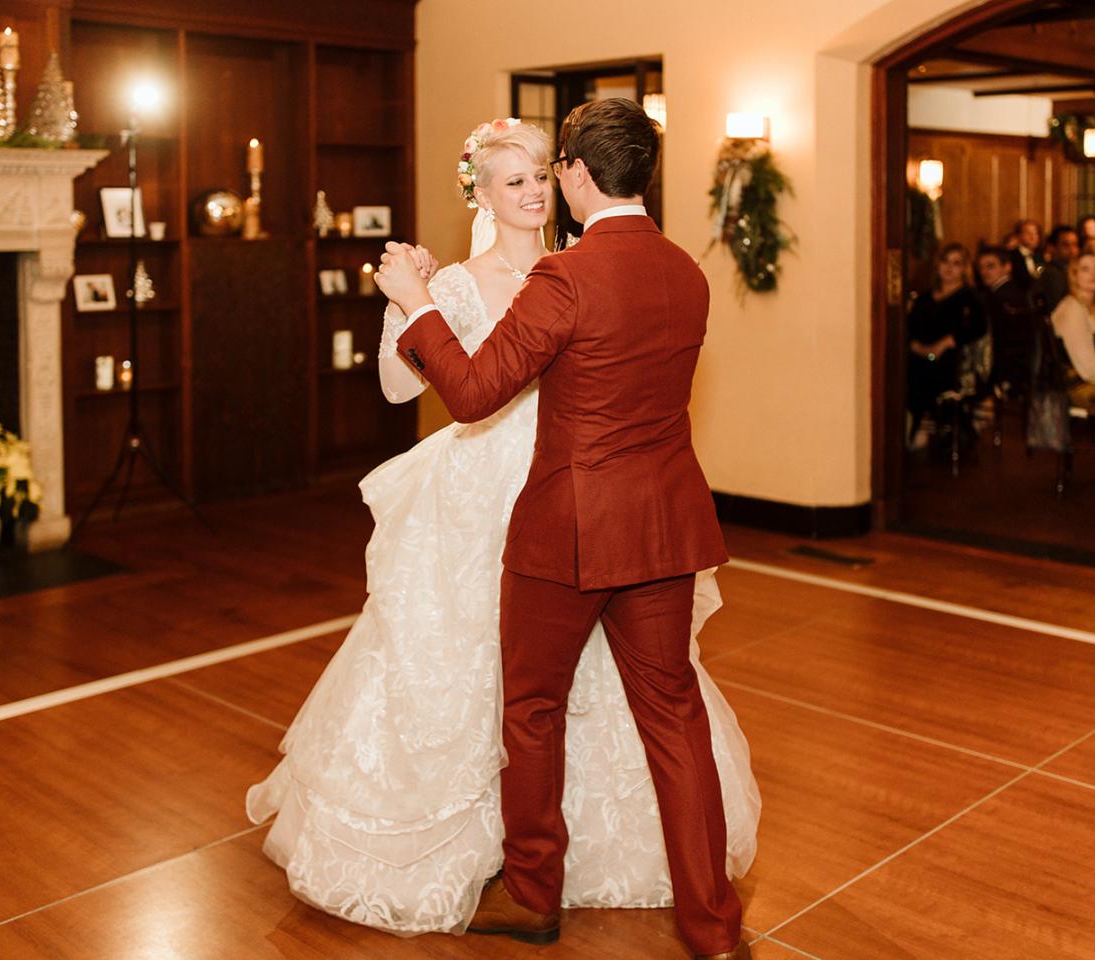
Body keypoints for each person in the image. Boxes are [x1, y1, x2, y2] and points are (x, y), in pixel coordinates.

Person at [248, 115, 760, 951]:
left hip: (567, 530)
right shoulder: (684, 273)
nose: (544, 185)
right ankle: (714, 926)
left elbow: (477, 393)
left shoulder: (566, 275)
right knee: (674, 718)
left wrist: (414, 304)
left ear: (580, 178)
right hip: (664, 528)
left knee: (530, 709)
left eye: (552, 169)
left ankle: (531, 895)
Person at [907, 243, 987, 447]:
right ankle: (918, 421)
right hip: (920, 353)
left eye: (956, 263)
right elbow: (910, 327)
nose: (949, 268)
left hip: (954, 356)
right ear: (937, 265)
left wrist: (946, 343)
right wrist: (916, 346)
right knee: (909, 366)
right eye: (945, 261)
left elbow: (979, 327)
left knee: (935, 367)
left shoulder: (970, 297)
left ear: (964, 268)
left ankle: (928, 422)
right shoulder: (925, 297)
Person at [1049, 253, 1095, 445]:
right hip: (1078, 385)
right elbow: (1088, 366)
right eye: (1085, 269)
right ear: (1074, 275)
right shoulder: (1072, 309)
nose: (1093, 274)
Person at [976, 243, 1034, 396]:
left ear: (1007, 267)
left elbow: (1003, 343)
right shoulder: (1010, 293)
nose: (984, 272)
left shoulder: (1000, 298)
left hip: (1006, 374)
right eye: (980, 267)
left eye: (990, 266)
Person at [1038, 224, 1080, 313]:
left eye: (1075, 244)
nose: (1072, 250)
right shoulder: (1052, 273)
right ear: (1052, 248)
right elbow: (1057, 308)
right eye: (1066, 245)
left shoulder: (1074, 270)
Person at [1010, 218, 1045, 288]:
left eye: (1036, 233)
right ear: (1019, 236)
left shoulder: (1040, 256)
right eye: (1028, 233)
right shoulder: (1012, 256)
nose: (1033, 237)